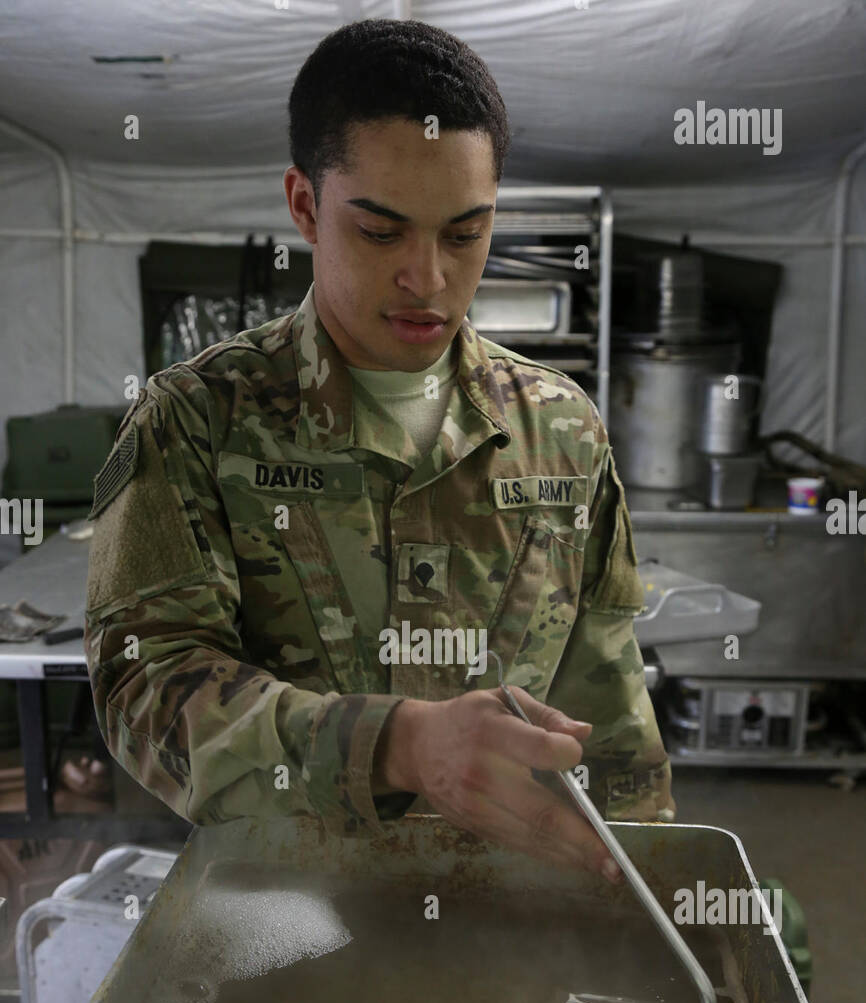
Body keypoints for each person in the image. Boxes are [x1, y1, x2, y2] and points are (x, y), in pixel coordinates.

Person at [84, 17, 674, 881]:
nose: (428, 278)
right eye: (381, 232)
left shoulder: (561, 429)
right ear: (304, 206)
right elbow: (147, 695)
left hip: (505, 923)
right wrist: (392, 748)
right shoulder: (196, 422)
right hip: (286, 918)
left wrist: (643, 902)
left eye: (465, 235)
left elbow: (611, 721)